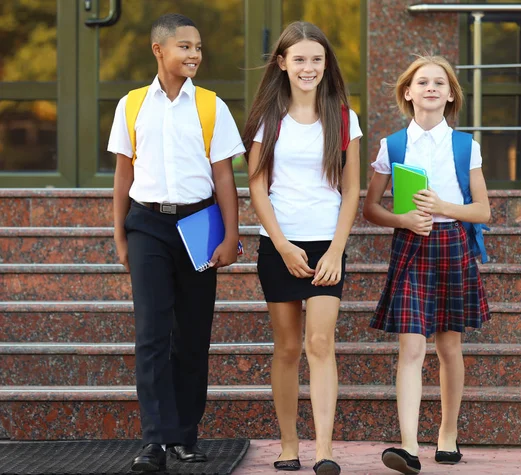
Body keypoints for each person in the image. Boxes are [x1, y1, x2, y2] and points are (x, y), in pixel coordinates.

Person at [108, 13, 244, 473]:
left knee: (192, 336)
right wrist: (120, 233)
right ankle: (154, 442)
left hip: (199, 224)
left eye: (199, 47)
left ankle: (185, 436)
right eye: (185, 46)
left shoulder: (211, 106)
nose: (194, 54)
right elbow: (123, 173)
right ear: (158, 50)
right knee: (150, 334)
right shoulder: (131, 105)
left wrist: (231, 233)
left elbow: (224, 175)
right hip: (147, 225)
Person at [242, 21, 361, 475]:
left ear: (325, 63)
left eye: (316, 58)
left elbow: (351, 192)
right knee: (288, 347)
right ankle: (289, 445)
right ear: (282, 64)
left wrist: (335, 249)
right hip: (280, 244)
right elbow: (256, 189)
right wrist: (282, 245)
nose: (308, 67)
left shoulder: (345, 117)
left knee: (320, 341)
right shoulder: (266, 119)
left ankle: (324, 450)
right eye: (299, 59)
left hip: (326, 243)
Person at [363, 55, 491, 475]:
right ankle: (408, 446)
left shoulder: (464, 145)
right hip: (411, 246)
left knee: (448, 346)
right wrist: (403, 219)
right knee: (411, 346)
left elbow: (483, 211)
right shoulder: (393, 145)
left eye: (440, 82)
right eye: (422, 82)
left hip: (452, 243)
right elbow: (371, 207)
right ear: (408, 92)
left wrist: (442, 206)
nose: (431, 88)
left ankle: (448, 433)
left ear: (450, 94)